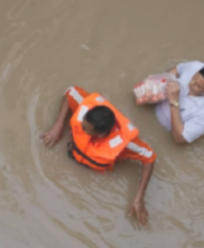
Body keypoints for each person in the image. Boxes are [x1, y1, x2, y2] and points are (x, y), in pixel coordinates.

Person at [41, 86, 156, 226]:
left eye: (85, 129)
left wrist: (139, 196)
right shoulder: (84, 107)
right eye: (82, 123)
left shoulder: (126, 144)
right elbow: (69, 92)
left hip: (98, 171)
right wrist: (58, 125)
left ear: (101, 135)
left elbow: (149, 157)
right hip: (73, 152)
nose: (80, 128)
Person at [154, 61, 204, 145]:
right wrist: (159, 84)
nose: (190, 84)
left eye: (198, 86)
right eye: (193, 78)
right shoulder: (195, 66)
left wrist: (174, 102)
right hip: (154, 103)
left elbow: (179, 139)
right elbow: (175, 70)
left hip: (163, 130)